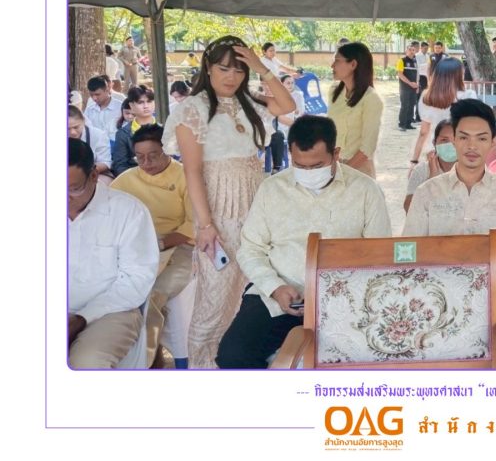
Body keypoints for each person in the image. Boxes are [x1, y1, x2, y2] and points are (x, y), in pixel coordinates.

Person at [162, 35, 295, 368]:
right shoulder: (191, 110)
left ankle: (238, 359)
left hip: (256, 205)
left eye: (239, 70)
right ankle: (204, 366)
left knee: (251, 287)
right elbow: (192, 172)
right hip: (218, 211)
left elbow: (287, 106)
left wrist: (261, 66)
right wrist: (206, 225)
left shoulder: (248, 103)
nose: (231, 76)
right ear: (208, 68)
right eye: (223, 68)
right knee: (215, 294)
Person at [217, 115, 391, 368]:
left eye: (317, 166)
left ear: (336, 154)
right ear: (290, 153)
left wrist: (340, 293)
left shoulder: (365, 190)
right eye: (300, 165)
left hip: (345, 301)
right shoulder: (272, 189)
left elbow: (380, 254)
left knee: (365, 358)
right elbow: (251, 249)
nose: (308, 173)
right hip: (281, 296)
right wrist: (276, 288)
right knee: (233, 356)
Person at [403, 99, 496, 323]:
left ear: (493, 142)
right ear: (454, 140)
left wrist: (488, 296)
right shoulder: (427, 193)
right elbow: (412, 253)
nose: (472, 146)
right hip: (438, 294)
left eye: (481, 138)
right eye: (464, 137)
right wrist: (440, 296)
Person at [110, 125, 196, 369]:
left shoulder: (185, 176)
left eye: (153, 155)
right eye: (140, 157)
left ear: (167, 149)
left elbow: (194, 224)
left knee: (153, 293)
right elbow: (110, 213)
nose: (146, 163)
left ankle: (147, 356)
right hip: (136, 248)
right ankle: (138, 355)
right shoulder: (126, 180)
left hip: (177, 245)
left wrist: (160, 243)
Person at [68, 138, 158, 368]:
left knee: (87, 362)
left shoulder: (128, 211)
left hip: (112, 310)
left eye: (73, 189)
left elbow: (136, 280)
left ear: (94, 176)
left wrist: (81, 318)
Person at [409, 57, 477, 170]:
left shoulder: (427, 97)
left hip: (435, 150)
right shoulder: (468, 96)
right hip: (461, 151)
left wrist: (414, 161)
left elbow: (423, 133)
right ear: (459, 75)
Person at [327, 42, 383, 178]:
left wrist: (342, 173)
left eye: (337, 60)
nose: (332, 65)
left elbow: (367, 148)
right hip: (333, 166)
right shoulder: (334, 91)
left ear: (353, 64)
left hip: (359, 171)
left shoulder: (371, 99)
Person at [404, 119, 456, 213]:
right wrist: (432, 180)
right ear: (434, 142)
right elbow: (408, 208)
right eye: (444, 140)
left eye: (456, 140)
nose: (451, 145)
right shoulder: (422, 170)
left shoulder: (473, 171)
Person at [112, 85, 157, 176]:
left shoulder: (165, 128)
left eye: (149, 101)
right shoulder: (123, 134)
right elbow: (120, 165)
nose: (146, 106)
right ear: (131, 105)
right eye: (140, 102)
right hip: (135, 178)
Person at [68, 105, 112, 180]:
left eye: (76, 127)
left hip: (92, 174)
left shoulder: (99, 135)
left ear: (83, 121)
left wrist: (83, 172)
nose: (73, 132)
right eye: (67, 129)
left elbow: (105, 162)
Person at [396, 41, 420, 131]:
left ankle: (408, 124)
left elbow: (417, 74)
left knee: (412, 105)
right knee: (405, 105)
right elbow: (400, 74)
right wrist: (410, 83)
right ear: (406, 51)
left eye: (413, 50)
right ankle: (402, 124)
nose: (411, 51)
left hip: (413, 88)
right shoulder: (402, 60)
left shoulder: (415, 61)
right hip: (404, 88)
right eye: (410, 50)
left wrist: (417, 85)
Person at [415, 41, 430, 120]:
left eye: (427, 48)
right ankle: (417, 116)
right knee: (419, 97)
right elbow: (418, 67)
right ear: (421, 48)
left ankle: (423, 115)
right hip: (420, 77)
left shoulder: (427, 56)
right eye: (425, 48)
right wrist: (426, 65)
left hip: (426, 77)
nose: (426, 50)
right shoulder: (417, 56)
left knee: (424, 97)